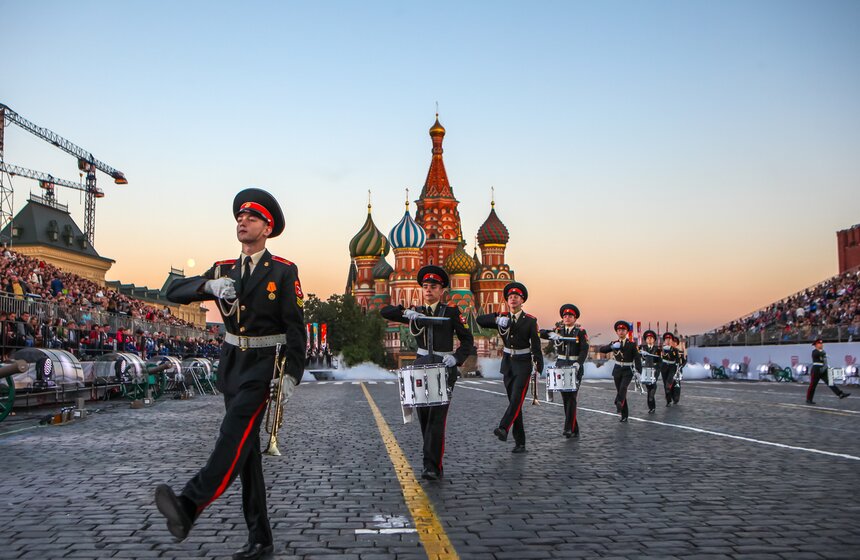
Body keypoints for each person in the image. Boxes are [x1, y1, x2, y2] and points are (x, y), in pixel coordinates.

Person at [155, 188, 306, 560]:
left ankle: (189, 505)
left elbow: (296, 327)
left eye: (252, 218)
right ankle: (261, 538)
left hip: (263, 367)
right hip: (232, 365)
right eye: (239, 216)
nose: (242, 221)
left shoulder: (284, 271)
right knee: (246, 455)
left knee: (232, 437)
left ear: (267, 228)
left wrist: (291, 375)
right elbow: (171, 290)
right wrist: (207, 286)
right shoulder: (224, 269)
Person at [380, 265, 474, 480]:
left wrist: (457, 358)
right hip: (421, 366)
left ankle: (431, 465)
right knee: (424, 416)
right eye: (425, 286)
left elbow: (467, 340)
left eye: (434, 286)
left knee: (437, 418)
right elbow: (384, 311)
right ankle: (431, 460)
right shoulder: (417, 312)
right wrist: (406, 312)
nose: (429, 290)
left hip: (444, 365)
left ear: (442, 291)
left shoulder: (451, 312)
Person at [477, 282, 543, 453]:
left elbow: (535, 345)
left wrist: (538, 365)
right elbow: (479, 320)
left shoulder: (530, 321)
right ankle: (520, 442)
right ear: (507, 300)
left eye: (516, 297)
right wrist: (497, 318)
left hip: (523, 363)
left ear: (522, 301)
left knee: (516, 399)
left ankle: (504, 428)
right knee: (515, 403)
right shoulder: (503, 318)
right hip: (508, 363)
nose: (513, 299)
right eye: (510, 297)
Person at [540, 304, 588, 438]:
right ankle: (574, 428)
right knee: (565, 398)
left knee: (572, 398)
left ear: (575, 318)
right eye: (565, 316)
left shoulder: (580, 332)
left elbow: (584, 350)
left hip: (574, 366)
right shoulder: (558, 330)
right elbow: (541, 332)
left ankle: (568, 428)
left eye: (570, 316)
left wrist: (579, 363)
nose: (567, 318)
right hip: (561, 365)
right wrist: (550, 334)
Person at [598, 321, 641, 422]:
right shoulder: (614, 343)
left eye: (623, 330)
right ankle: (624, 414)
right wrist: (612, 347)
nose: (621, 332)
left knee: (623, 387)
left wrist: (639, 371)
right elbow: (602, 350)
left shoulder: (632, 344)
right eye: (619, 330)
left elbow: (637, 358)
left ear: (626, 332)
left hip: (628, 370)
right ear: (617, 332)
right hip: (617, 370)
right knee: (620, 391)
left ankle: (618, 402)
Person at [806, 338, 850, 404]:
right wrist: (823, 354)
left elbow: (824, 359)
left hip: (823, 369)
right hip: (816, 370)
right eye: (819, 343)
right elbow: (819, 355)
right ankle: (809, 399)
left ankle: (840, 394)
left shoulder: (822, 351)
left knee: (830, 382)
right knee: (813, 385)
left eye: (821, 343)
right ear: (816, 345)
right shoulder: (815, 351)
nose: (821, 345)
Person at [639, 329, 661, 413]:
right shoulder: (642, 348)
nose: (649, 339)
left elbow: (660, 362)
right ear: (645, 340)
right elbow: (638, 358)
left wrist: (657, 371)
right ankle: (651, 407)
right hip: (645, 370)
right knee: (649, 389)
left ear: (654, 340)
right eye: (648, 338)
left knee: (653, 386)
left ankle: (652, 404)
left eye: (651, 338)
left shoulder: (658, 350)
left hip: (654, 370)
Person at [660, 333, 681, 406]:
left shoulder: (675, 350)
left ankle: (674, 397)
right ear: (664, 341)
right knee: (665, 383)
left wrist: (678, 368)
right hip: (664, 367)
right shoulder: (661, 349)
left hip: (672, 367)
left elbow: (678, 360)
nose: (668, 341)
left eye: (670, 339)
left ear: (672, 341)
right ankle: (668, 400)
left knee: (668, 384)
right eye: (666, 339)